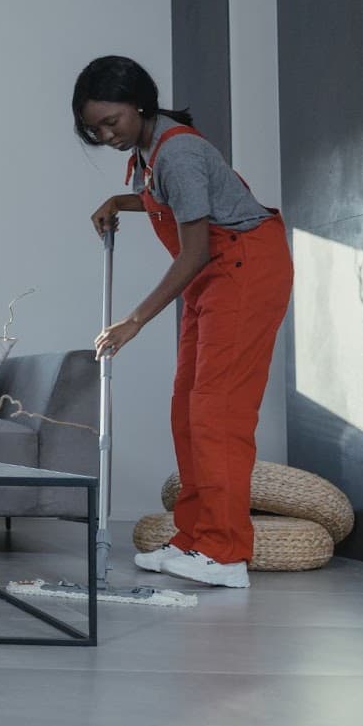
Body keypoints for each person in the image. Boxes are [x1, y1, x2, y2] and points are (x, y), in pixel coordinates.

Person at [74, 55, 292, 589]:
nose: (106, 135)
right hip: (214, 274)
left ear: (141, 103)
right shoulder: (150, 150)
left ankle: (225, 552)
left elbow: (194, 250)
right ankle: (195, 538)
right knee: (187, 407)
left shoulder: (181, 153)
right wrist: (120, 201)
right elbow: (167, 204)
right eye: (94, 128)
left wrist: (134, 320)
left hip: (241, 268)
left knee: (218, 411)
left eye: (112, 121)